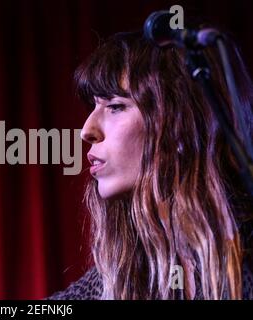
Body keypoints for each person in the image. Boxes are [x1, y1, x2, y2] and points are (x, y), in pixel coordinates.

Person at [47, 30, 253, 300]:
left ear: (178, 125)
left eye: (115, 106)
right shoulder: (120, 276)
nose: (87, 130)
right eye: (94, 106)